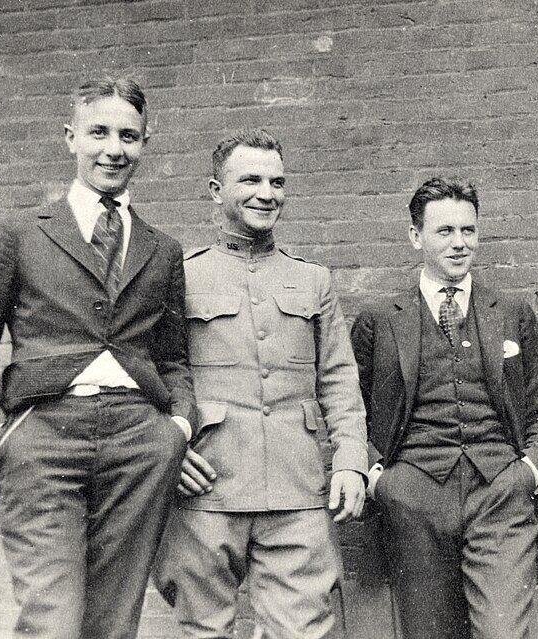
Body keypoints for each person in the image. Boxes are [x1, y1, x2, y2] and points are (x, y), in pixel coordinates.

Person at [0, 77, 194, 639]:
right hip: (43, 438)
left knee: (114, 620)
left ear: (145, 143)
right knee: (50, 619)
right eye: (98, 132)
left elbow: (172, 357)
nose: (113, 149)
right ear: (70, 138)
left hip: (139, 442)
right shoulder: (20, 236)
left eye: (129, 136)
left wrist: (175, 425)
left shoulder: (162, 249)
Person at [153, 129, 368, 639]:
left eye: (277, 181)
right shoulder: (178, 278)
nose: (266, 193)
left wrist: (351, 462)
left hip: (297, 489)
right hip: (207, 483)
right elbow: (154, 374)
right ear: (214, 189)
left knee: (302, 630)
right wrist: (170, 449)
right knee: (202, 628)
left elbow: (339, 377)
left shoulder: (313, 280)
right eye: (250, 179)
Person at [350, 177, 538, 639]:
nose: (460, 243)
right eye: (445, 231)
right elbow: (351, 413)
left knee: (506, 629)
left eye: (468, 230)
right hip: (414, 495)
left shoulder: (511, 312)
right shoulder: (381, 320)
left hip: (499, 492)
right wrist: (379, 479)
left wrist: (529, 472)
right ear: (416, 237)